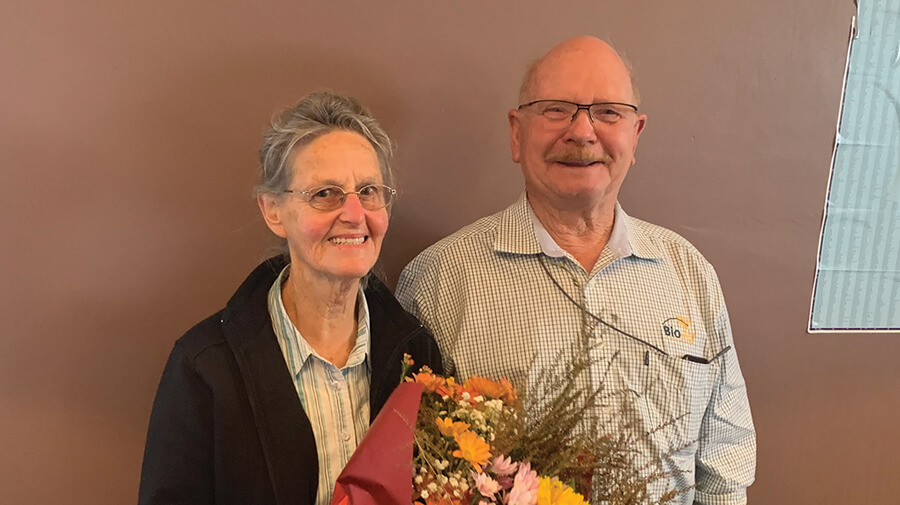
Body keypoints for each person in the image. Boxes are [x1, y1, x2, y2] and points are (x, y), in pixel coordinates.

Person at [396, 36, 755, 504]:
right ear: (516, 133)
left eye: (608, 112)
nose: (583, 132)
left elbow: (723, 468)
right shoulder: (439, 282)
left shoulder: (690, 275)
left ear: (636, 134)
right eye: (556, 109)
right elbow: (412, 470)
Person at [138, 91, 443, 505]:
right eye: (325, 194)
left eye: (368, 191)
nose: (354, 214)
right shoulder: (205, 367)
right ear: (273, 211)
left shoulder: (418, 355)